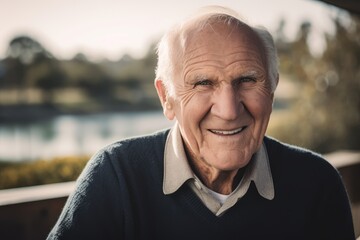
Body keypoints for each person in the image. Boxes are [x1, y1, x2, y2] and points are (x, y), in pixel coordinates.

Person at [47, 6, 355, 240]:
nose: (229, 110)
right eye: (203, 83)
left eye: (247, 79)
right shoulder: (115, 175)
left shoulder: (317, 182)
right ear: (167, 97)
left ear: (272, 88)